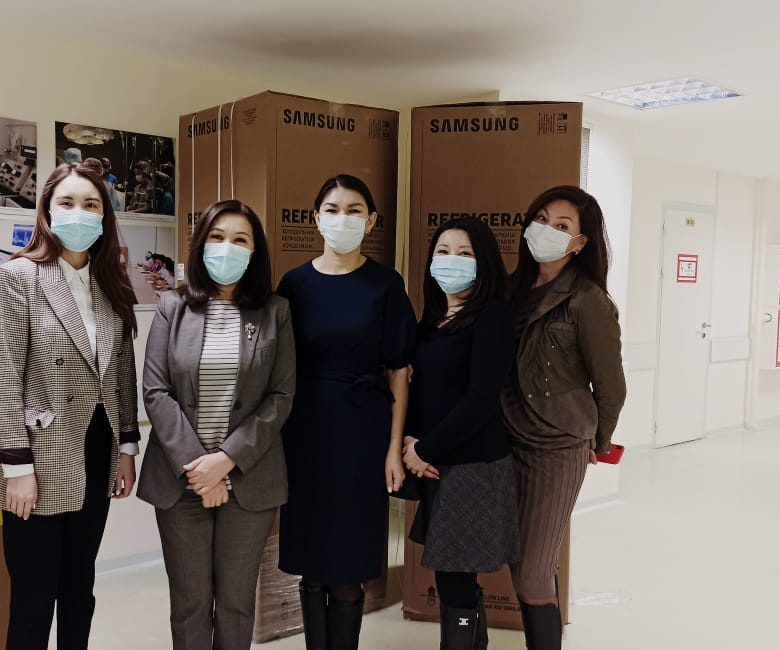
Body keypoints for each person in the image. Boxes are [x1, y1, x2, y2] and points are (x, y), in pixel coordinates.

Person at [0, 161, 140, 650]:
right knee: (33, 602)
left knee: (79, 592)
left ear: (104, 216)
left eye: (91, 204)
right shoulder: (19, 277)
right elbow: (4, 377)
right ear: (47, 211)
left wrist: (127, 449)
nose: (80, 213)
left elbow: (122, 374)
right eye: (67, 202)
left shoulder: (111, 283)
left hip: (96, 452)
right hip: (38, 457)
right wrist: (16, 468)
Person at [139, 199, 296, 650]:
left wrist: (225, 461)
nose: (228, 247)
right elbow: (156, 391)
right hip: (181, 481)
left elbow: (281, 396)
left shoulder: (276, 311)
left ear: (254, 251)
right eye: (218, 237)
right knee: (189, 604)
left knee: (236, 604)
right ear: (201, 244)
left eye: (240, 239)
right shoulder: (172, 307)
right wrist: (199, 468)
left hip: (249, 480)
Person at [278, 174, 416, 650]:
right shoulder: (294, 284)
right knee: (312, 564)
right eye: (332, 209)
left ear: (371, 221)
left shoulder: (386, 284)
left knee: (347, 566)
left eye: (354, 210)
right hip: (305, 434)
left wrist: (393, 449)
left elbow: (399, 370)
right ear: (315, 218)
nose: (343, 219)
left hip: (363, 434)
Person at [500, 186, 627, 650]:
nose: (547, 230)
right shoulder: (512, 290)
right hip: (506, 438)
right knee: (522, 561)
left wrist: (598, 441)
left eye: (562, 225)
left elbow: (611, 386)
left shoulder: (588, 300)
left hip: (557, 445)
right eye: (541, 219)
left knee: (532, 571)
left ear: (579, 242)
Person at [402, 218, 519, 649]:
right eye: (444, 251)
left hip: (473, 466)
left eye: (464, 253)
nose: (452, 260)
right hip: (437, 462)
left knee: (454, 576)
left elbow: (481, 399)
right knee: (453, 574)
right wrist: (410, 439)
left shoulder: (491, 316)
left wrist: (424, 449)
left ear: (483, 262)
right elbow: (421, 388)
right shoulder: (433, 319)